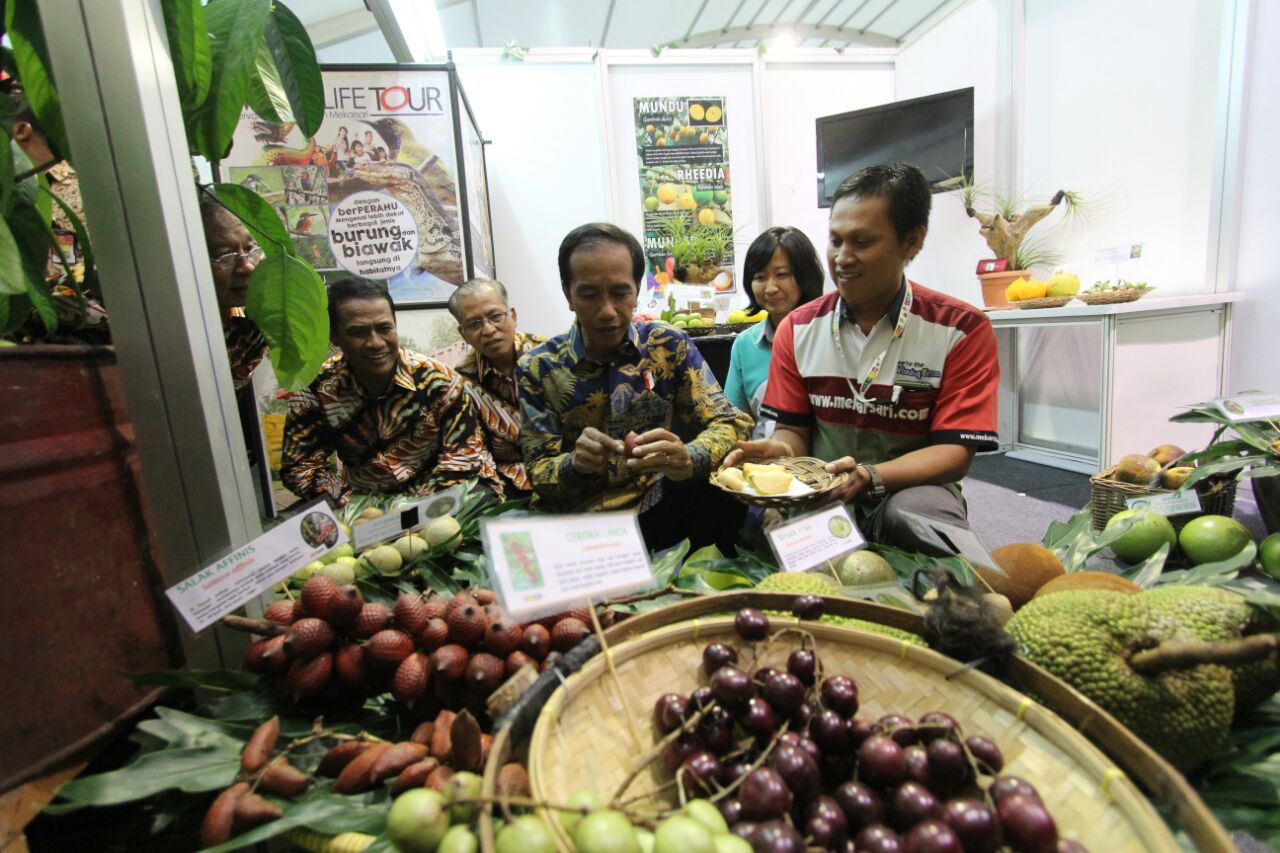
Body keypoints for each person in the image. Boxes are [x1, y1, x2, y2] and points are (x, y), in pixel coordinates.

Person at [726, 163, 999, 554]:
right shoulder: (798, 329)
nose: (842, 258)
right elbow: (793, 433)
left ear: (912, 242)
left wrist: (871, 476)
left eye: (862, 242)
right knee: (795, 557)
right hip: (822, 493)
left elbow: (954, 453)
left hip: (911, 492)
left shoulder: (960, 329)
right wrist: (780, 451)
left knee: (920, 518)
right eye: (835, 240)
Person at [517, 223, 753, 551]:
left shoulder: (668, 345)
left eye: (620, 292)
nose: (607, 311)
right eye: (588, 294)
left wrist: (689, 456)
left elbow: (732, 422)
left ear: (637, 289)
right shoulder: (538, 368)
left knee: (726, 492)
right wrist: (576, 464)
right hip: (578, 525)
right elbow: (539, 472)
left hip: (658, 507)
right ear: (567, 293)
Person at [281, 278, 503, 505]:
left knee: (480, 499)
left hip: (443, 494)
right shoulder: (316, 389)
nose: (375, 343)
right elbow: (301, 466)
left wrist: (411, 511)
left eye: (384, 328)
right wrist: (349, 501)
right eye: (358, 332)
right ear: (334, 336)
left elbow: (463, 460)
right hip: (363, 503)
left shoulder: (441, 382)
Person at [724, 226, 825, 438]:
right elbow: (735, 421)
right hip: (764, 466)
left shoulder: (827, 338)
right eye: (760, 277)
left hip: (818, 467)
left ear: (805, 276)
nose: (770, 288)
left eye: (781, 275)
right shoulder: (745, 344)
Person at [448, 279, 547, 496]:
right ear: (463, 333)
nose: (489, 330)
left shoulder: (551, 357)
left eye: (495, 316)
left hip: (565, 474)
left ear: (513, 315)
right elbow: (476, 454)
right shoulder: (462, 383)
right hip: (509, 489)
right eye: (475, 324)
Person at [199, 191, 269, 391]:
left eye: (250, 249)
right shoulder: (163, 329)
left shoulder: (251, 326)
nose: (247, 267)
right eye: (225, 255)